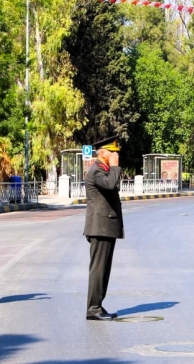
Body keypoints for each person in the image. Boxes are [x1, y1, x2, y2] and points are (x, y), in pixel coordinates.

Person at [84, 136, 124, 321]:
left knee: (104, 270)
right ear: (102, 153)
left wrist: (114, 167)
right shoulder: (97, 171)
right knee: (99, 270)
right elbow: (110, 184)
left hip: (105, 227)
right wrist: (115, 167)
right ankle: (93, 309)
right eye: (112, 152)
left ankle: (98, 305)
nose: (116, 155)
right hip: (100, 227)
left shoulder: (104, 170)